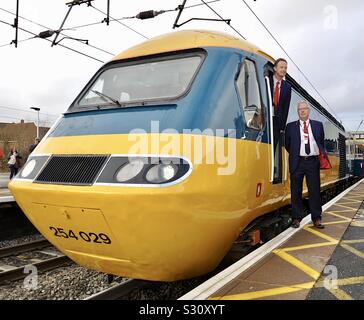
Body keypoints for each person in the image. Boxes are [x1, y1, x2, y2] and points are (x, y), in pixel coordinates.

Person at [285, 101, 328, 229]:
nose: (302, 111)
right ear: (297, 112)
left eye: (304, 109)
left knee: (314, 191)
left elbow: (321, 142)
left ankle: (316, 218)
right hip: (297, 161)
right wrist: (296, 154)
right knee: (296, 191)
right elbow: (288, 145)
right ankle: (296, 218)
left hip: (312, 162)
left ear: (308, 111)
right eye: (300, 109)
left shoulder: (318, 125)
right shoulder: (290, 126)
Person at [270, 58, 292, 151]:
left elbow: (286, 108)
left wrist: (282, 127)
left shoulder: (287, 87)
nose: (284, 70)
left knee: (273, 148)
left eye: (285, 68)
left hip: (277, 123)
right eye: (281, 67)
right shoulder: (267, 79)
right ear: (275, 68)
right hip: (265, 119)